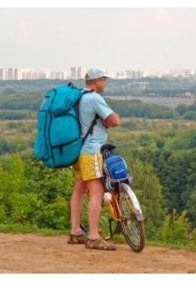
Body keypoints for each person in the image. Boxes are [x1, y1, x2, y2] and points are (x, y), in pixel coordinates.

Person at [67, 66, 120, 251]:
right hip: (91, 151)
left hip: (77, 150)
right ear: (97, 81)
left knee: (79, 189)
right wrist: (107, 121)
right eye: (104, 80)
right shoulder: (95, 98)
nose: (105, 83)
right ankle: (93, 237)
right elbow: (115, 120)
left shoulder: (79, 96)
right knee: (96, 191)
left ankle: (75, 232)